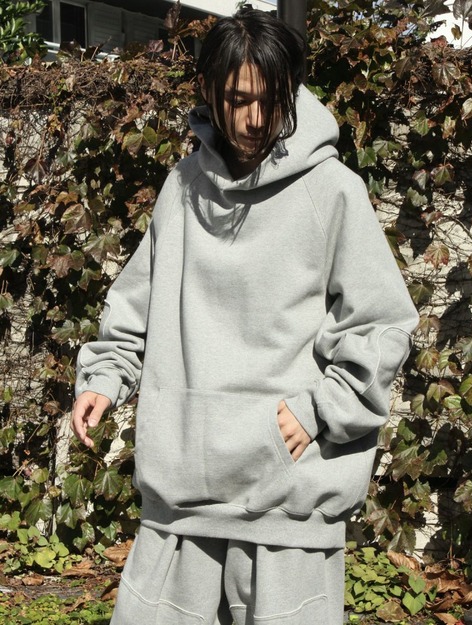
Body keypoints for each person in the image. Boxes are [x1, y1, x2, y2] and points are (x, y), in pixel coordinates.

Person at [71, 8, 419, 625]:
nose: (254, 119)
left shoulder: (332, 190)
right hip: (182, 494)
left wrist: (320, 410)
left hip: (288, 503)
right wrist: (105, 377)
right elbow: (136, 304)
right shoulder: (181, 188)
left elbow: (382, 322)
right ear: (210, 92)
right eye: (237, 100)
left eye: (269, 100)